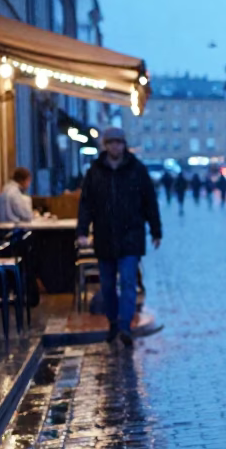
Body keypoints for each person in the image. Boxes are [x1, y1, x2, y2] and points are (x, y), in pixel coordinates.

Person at [76, 127, 162, 347]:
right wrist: (82, 231)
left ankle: (125, 327)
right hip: (105, 236)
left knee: (128, 281)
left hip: (131, 235)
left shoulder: (137, 169)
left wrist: (156, 230)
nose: (116, 146)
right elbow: (86, 203)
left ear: (124, 145)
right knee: (106, 285)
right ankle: (113, 322)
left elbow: (149, 201)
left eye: (119, 142)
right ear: (106, 145)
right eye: (112, 143)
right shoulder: (95, 171)